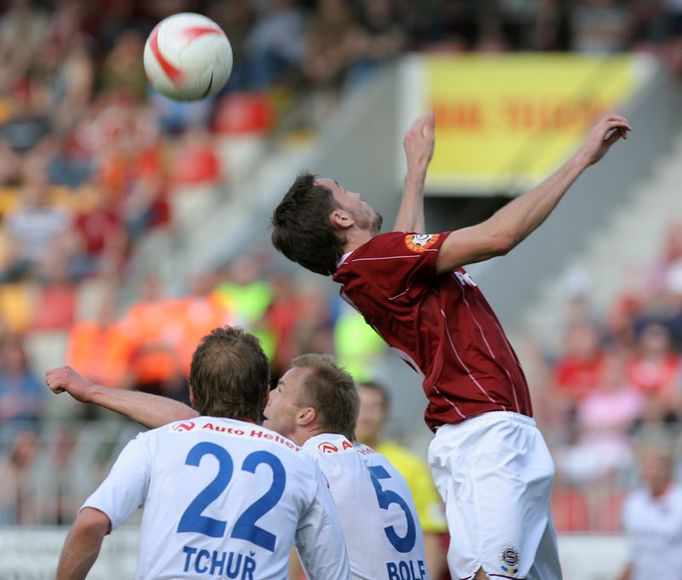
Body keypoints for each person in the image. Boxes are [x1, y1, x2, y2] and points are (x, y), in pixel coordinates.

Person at [270, 110, 631, 579]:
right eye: (346, 190)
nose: (357, 194)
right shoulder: (376, 261)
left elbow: (401, 243)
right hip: (484, 433)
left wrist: (417, 171)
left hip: (493, 429)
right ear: (340, 217)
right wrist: (581, 157)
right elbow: (501, 235)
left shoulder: (374, 269)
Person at [47, 351, 428, 580]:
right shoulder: (378, 463)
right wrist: (95, 392)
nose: (268, 399)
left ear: (306, 415)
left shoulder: (309, 462)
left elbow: (193, 424)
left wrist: (95, 392)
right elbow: (197, 424)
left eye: (279, 390)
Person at [356, 381, 448, 579]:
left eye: (374, 407)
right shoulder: (327, 460)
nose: (366, 415)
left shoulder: (410, 466)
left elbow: (430, 531)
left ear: (386, 414)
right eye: (360, 407)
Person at [619, 430, 682, 579]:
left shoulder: (679, 501)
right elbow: (635, 555)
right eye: (646, 465)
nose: (651, 472)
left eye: (656, 466)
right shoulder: (633, 503)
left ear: (667, 467)